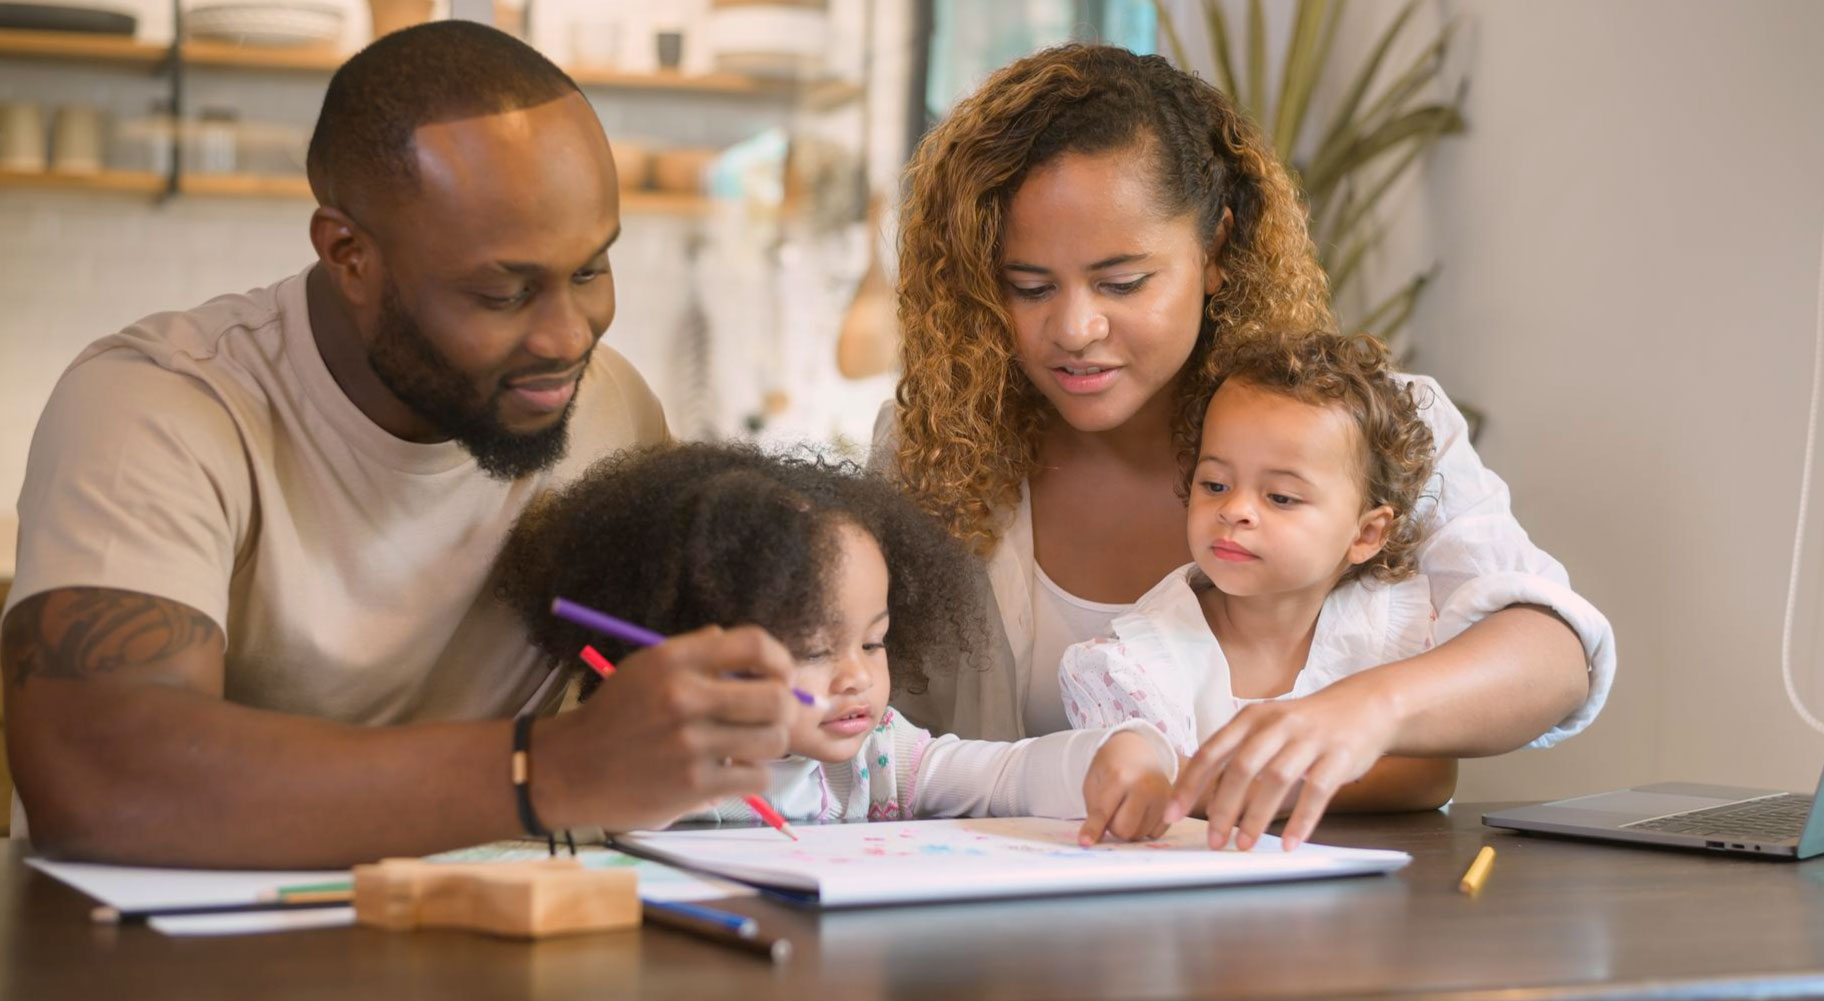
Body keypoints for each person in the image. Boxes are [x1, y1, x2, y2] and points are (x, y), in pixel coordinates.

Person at [0, 23, 797, 869]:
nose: (569, 336)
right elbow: (100, 781)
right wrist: (548, 770)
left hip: (497, 953)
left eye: (592, 270)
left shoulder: (610, 408)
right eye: (504, 291)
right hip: (182, 980)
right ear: (349, 255)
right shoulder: (159, 407)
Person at [876, 44, 1615, 843]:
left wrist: (1366, 710)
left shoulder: (1371, 429)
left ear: (1216, 252)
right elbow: (863, 734)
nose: (1075, 330)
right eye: (1029, 287)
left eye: (1123, 283)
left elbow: (1554, 655)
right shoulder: (934, 444)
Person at [1062, 331, 1614, 849]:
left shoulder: (1397, 623)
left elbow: (1430, 777)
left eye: (1280, 497)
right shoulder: (1135, 661)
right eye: (1214, 485)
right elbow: (1140, 797)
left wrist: (1216, 786)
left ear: (1367, 533)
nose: (1234, 510)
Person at [496, 442, 1179, 838]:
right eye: (817, 650)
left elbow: (1000, 775)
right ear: (691, 652)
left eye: (874, 643)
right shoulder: (638, 767)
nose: (856, 677)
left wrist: (1116, 753)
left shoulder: (878, 755)